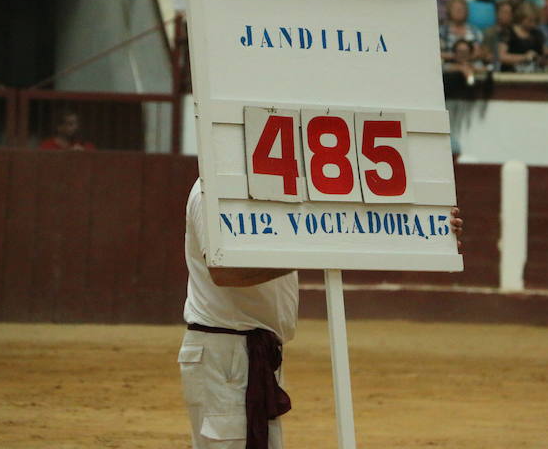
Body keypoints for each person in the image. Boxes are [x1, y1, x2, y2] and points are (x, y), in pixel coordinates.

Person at [179, 178, 464, 449]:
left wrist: (435, 229)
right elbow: (223, 272)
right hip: (225, 353)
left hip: (252, 352)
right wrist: (310, 252)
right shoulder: (210, 189)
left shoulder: (270, 186)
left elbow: (355, 219)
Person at [499, 2, 548, 72]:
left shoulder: (537, 34)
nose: (533, 24)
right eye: (530, 20)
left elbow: (543, 57)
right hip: (510, 72)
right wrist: (524, 57)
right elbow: (501, 57)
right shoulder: (508, 32)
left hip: (533, 72)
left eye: (535, 21)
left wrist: (538, 59)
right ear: (522, 17)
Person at [481, 0, 514, 71]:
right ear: (497, 14)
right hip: (494, 68)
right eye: (504, 12)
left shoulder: (514, 33)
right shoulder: (489, 33)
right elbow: (485, 56)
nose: (507, 15)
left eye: (509, 13)